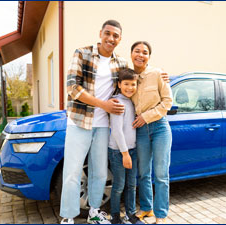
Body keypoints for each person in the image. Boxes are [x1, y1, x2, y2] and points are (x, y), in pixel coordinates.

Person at [60, 20, 127, 224]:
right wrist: (103, 104)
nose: (111, 38)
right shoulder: (82, 53)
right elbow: (72, 87)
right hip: (80, 121)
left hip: (103, 125)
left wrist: (160, 77)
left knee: (99, 171)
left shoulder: (121, 63)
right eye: (108, 33)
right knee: (72, 172)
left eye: (115, 36)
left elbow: (133, 82)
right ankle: (68, 217)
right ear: (100, 33)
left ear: (119, 39)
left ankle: (94, 212)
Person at [130, 41, 173, 224]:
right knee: (144, 173)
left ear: (149, 56)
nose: (140, 54)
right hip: (139, 130)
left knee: (161, 174)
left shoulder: (157, 74)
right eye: (137, 51)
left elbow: (167, 102)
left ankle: (161, 214)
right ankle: (146, 208)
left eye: (145, 52)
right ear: (131, 54)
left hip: (160, 128)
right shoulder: (127, 76)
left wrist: (146, 116)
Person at [108, 68, 144, 224]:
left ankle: (130, 214)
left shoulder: (132, 101)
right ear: (119, 84)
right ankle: (115, 216)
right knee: (119, 185)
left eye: (133, 84)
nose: (130, 87)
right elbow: (116, 131)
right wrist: (125, 154)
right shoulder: (117, 102)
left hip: (132, 149)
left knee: (131, 184)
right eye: (126, 84)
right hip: (119, 151)